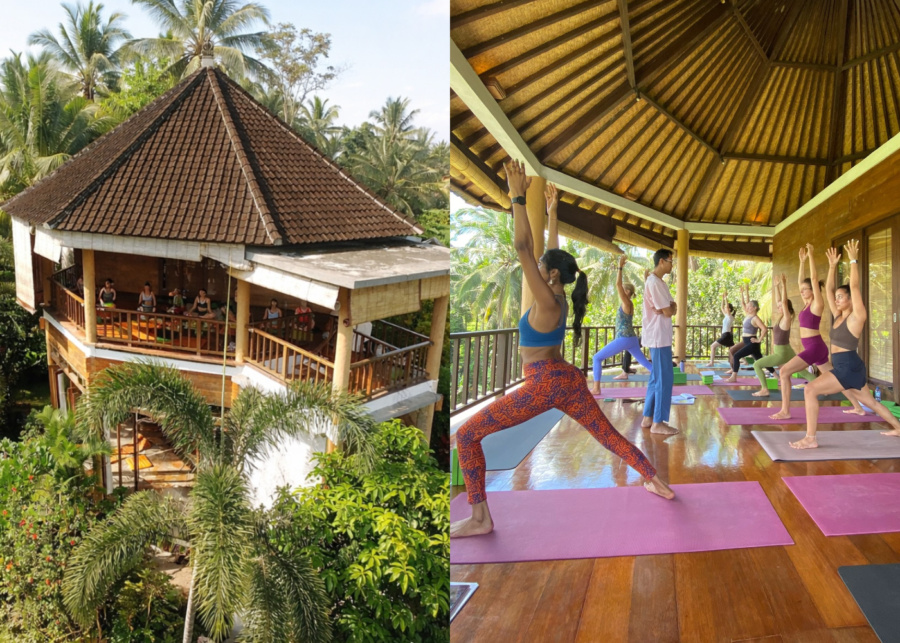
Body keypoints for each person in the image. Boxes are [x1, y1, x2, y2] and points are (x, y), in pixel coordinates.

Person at [450, 161, 674, 539]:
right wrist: (552, 214)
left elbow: (523, 246)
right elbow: (550, 255)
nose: (536, 267)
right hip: (565, 377)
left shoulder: (547, 299)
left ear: (550, 274)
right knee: (607, 435)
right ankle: (654, 480)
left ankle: (480, 518)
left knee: (467, 435)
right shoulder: (559, 296)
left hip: (544, 384)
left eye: (541, 267)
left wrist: (518, 197)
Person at [789, 242, 900, 448]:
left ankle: (810, 438)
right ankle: (899, 427)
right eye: (837, 298)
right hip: (847, 366)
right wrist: (832, 266)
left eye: (842, 297)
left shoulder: (857, 316)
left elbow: (855, 287)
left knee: (810, 390)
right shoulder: (838, 315)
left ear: (851, 300)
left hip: (848, 366)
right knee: (871, 403)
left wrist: (853, 261)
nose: (837, 300)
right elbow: (829, 290)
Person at [770, 244, 832, 419]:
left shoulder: (817, 303)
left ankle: (785, 411)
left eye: (806, 289)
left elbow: (813, 278)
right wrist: (801, 261)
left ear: (814, 290)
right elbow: (800, 282)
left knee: (784, 372)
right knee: (839, 377)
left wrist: (811, 255)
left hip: (814, 347)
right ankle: (859, 405)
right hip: (815, 348)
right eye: (802, 290)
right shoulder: (806, 304)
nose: (802, 291)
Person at [590, 253, 653, 394]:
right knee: (645, 363)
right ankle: (664, 381)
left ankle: (596, 388)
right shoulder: (629, 304)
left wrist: (620, 267)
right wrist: (645, 279)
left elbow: (617, 284)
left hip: (625, 339)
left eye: (623, 290)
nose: (620, 291)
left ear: (628, 292)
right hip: (631, 339)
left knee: (596, 357)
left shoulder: (626, 302)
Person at [749, 274, 814, 396]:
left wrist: (784, 285)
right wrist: (776, 286)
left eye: (781, 307)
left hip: (781, 353)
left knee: (757, 364)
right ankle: (822, 387)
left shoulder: (787, 318)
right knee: (802, 371)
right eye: (778, 306)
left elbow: (783, 302)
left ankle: (764, 389)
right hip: (787, 350)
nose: (779, 307)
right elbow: (780, 301)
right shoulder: (781, 318)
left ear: (786, 308)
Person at [641, 248, 679, 435]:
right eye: (671, 261)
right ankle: (658, 422)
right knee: (664, 378)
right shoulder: (654, 283)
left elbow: (674, 307)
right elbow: (668, 311)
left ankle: (648, 417)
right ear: (662, 261)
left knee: (656, 377)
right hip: (658, 336)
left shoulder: (659, 283)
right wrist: (669, 308)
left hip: (660, 336)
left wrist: (670, 307)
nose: (672, 264)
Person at [722, 294, 767, 384]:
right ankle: (733, 369)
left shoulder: (754, 317)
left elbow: (764, 329)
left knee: (737, 355)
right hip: (745, 340)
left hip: (751, 340)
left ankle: (734, 375)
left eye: (750, 306)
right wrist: (742, 293)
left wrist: (759, 340)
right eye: (748, 306)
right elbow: (743, 303)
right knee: (758, 359)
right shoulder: (748, 315)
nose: (747, 307)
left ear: (754, 308)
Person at [707, 292, 735, 365]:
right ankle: (745, 361)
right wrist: (723, 298)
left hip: (726, 335)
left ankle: (711, 362)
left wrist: (726, 298)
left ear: (729, 309)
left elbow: (726, 307)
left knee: (712, 346)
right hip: (727, 335)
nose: (725, 309)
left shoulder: (730, 316)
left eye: (727, 308)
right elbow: (722, 308)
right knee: (733, 349)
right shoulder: (726, 316)